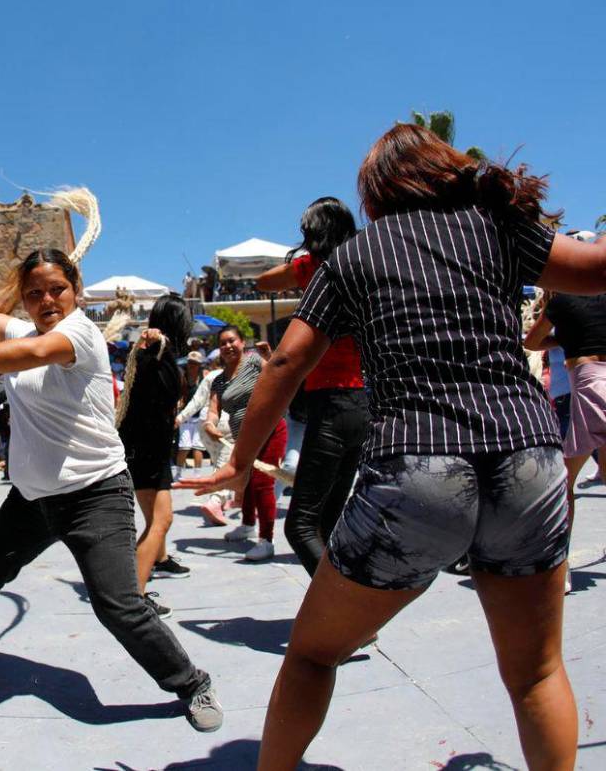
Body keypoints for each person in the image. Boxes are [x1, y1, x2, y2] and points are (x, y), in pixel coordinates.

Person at [183, 123, 602, 770]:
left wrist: (239, 461)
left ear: (375, 197)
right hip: (529, 458)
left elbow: (285, 360)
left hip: (420, 464)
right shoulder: (494, 229)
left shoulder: (354, 256)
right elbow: (596, 269)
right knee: (537, 674)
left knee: (314, 654)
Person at [0, 248, 222, 732]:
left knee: (117, 606)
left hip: (94, 494)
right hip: (31, 498)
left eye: (57, 289)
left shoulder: (80, 333)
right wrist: (22, 279)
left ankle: (193, 683)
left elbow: (31, 355)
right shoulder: (25, 327)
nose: (46, 300)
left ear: (75, 288)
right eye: (35, 294)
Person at [254, 197, 370, 577]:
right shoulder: (363, 265)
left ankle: (346, 614)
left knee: (300, 526)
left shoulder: (314, 268)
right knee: (328, 522)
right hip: (364, 405)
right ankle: (341, 622)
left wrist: (303, 261)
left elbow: (264, 281)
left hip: (330, 405)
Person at [176, 327, 284, 561]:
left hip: (269, 431)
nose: (227, 346)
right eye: (223, 343)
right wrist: (210, 424)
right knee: (244, 482)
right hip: (243, 437)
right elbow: (214, 409)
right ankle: (247, 525)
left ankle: (267, 540)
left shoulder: (254, 362)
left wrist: (269, 357)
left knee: (262, 484)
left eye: (231, 340)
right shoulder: (220, 379)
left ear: (242, 342)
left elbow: (279, 379)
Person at [116, 295, 195, 615]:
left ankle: (158, 560)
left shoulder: (154, 351)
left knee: (155, 516)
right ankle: (134, 595)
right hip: (148, 448)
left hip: (144, 447)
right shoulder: (159, 352)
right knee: (162, 519)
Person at [523, 263, 606, 546]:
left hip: (589, 384)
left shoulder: (562, 302)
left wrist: (563, 338)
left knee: (563, 480)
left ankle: (561, 559)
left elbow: (532, 341)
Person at [175, 351, 207, 478]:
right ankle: (178, 474)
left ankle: (197, 475)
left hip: (200, 417)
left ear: (199, 365)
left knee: (197, 446)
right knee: (184, 446)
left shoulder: (204, 379)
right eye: (190, 363)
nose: (192, 366)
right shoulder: (181, 378)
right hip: (185, 417)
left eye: (195, 363)